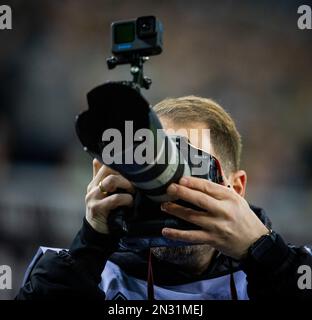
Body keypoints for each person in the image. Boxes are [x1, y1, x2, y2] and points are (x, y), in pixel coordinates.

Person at [17, 96, 312, 300]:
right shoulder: (91, 275)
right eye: (154, 169)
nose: (168, 189)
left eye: (189, 168)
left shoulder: (291, 272)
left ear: (235, 188)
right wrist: (89, 247)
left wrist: (269, 257)